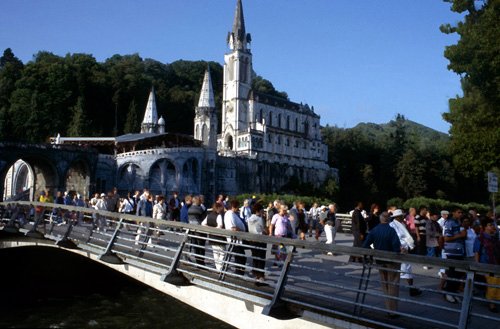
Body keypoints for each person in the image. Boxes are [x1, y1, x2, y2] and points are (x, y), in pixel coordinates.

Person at [363, 211, 401, 317]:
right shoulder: (391, 231)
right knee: (393, 285)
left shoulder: (374, 230)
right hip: (391, 262)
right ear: (388, 220)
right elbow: (396, 248)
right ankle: (393, 311)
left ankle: (388, 308)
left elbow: (365, 245)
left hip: (379, 261)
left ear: (380, 219)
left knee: (385, 286)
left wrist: (371, 255)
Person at [389, 209, 422, 297]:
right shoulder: (392, 225)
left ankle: (409, 288)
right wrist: (400, 247)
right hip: (400, 249)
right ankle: (410, 288)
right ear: (398, 217)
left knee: (405, 268)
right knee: (403, 268)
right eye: (402, 216)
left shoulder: (401, 224)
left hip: (404, 249)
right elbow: (396, 237)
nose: (403, 217)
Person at [473, 217, 500, 313]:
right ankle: (491, 304)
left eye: (493, 225)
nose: (492, 226)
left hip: (496, 263)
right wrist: (478, 267)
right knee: (492, 284)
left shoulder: (495, 237)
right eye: (490, 225)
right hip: (486, 264)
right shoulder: (480, 238)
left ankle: (494, 301)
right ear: (484, 227)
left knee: (496, 283)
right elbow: (476, 252)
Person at [442, 207, 467, 304]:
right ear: (453, 212)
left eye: (461, 212)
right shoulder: (449, 222)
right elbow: (447, 238)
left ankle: (453, 292)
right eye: (458, 212)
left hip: (459, 251)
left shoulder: (458, 222)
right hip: (452, 252)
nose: (460, 214)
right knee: (452, 273)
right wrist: (460, 235)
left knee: (458, 274)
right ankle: (448, 292)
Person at [223, 199, 247, 275]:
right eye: (237, 207)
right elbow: (232, 228)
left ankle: (239, 273)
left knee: (241, 257)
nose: (238, 208)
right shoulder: (229, 214)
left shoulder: (232, 214)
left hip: (238, 239)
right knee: (240, 258)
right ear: (233, 206)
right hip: (235, 240)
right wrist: (242, 231)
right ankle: (239, 274)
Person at [201, 203, 226, 271]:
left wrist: (209, 228)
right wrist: (215, 228)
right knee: (222, 253)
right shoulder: (219, 216)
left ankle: (218, 268)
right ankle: (220, 268)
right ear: (218, 208)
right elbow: (220, 226)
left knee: (215, 253)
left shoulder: (208, 215)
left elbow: (202, 224)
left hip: (211, 236)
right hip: (219, 237)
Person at [247, 203, 268, 284]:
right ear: (258, 211)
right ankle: (261, 276)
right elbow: (263, 230)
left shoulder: (249, 219)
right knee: (261, 258)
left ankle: (256, 274)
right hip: (260, 240)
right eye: (262, 209)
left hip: (252, 240)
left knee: (255, 257)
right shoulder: (259, 219)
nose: (263, 210)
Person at [188, 195, 207, 266]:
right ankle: (201, 262)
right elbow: (204, 217)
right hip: (199, 230)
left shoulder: (189, 209)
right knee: (201, 246)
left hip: (192, 229)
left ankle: (198, 261)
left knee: (195, 246)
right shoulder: (199, 209)